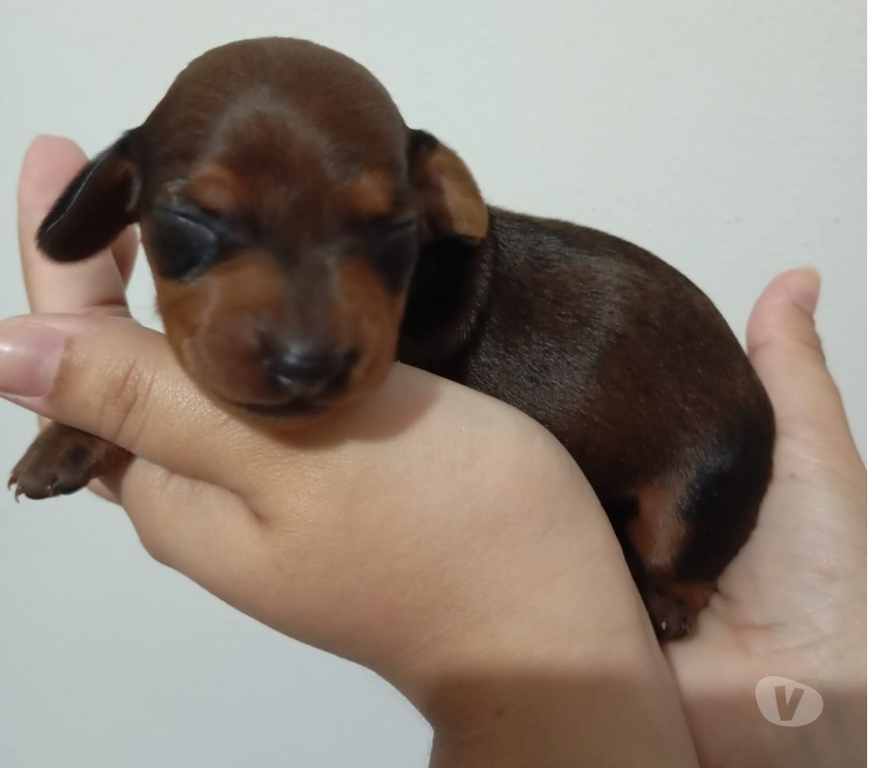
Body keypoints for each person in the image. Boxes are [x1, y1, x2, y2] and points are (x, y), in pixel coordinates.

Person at [0, 136, 864, 767]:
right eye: (203, 230)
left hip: (678, 458)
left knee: (697, 486)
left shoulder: (422, 298)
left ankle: (677, 577)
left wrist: (510, 635)